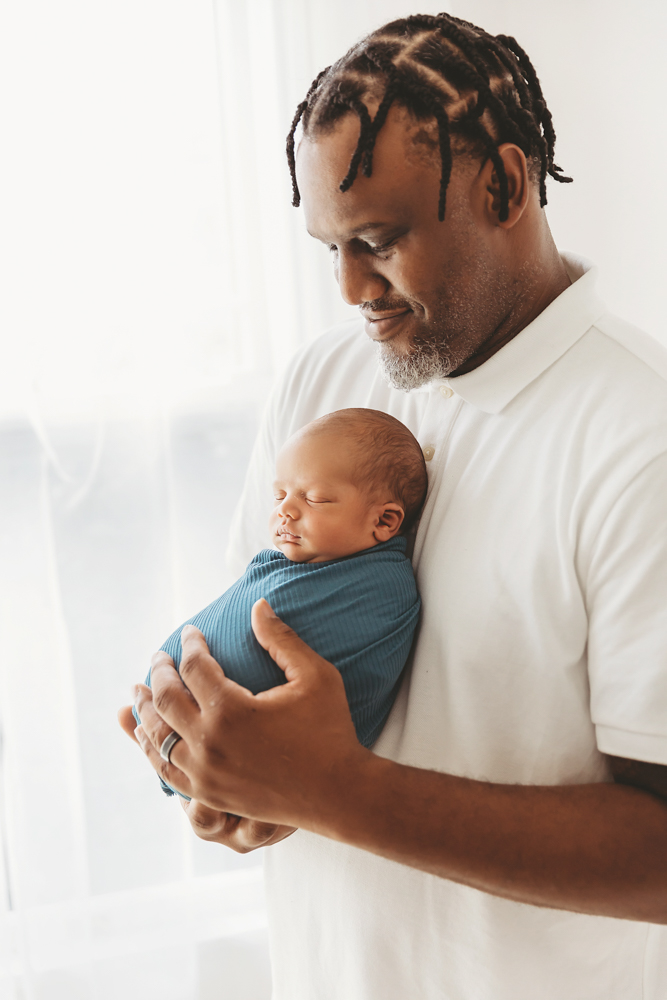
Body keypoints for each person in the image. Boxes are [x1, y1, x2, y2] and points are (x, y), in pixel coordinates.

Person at [120, 12, 667, 1000]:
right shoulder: (324, 380)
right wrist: (236, 778)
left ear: (503, 185)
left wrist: (333, 789)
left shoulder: (643, 437)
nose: (348, 289)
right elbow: (269, 657)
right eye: (329, 245)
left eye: (376, 240)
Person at [136, 408, 424, 796]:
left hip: (263, 767)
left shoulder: (381, 590)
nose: (285, 510)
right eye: (280, 494)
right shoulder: (284, 565)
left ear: (385, 522)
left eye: (314, 498)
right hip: (194, 747)